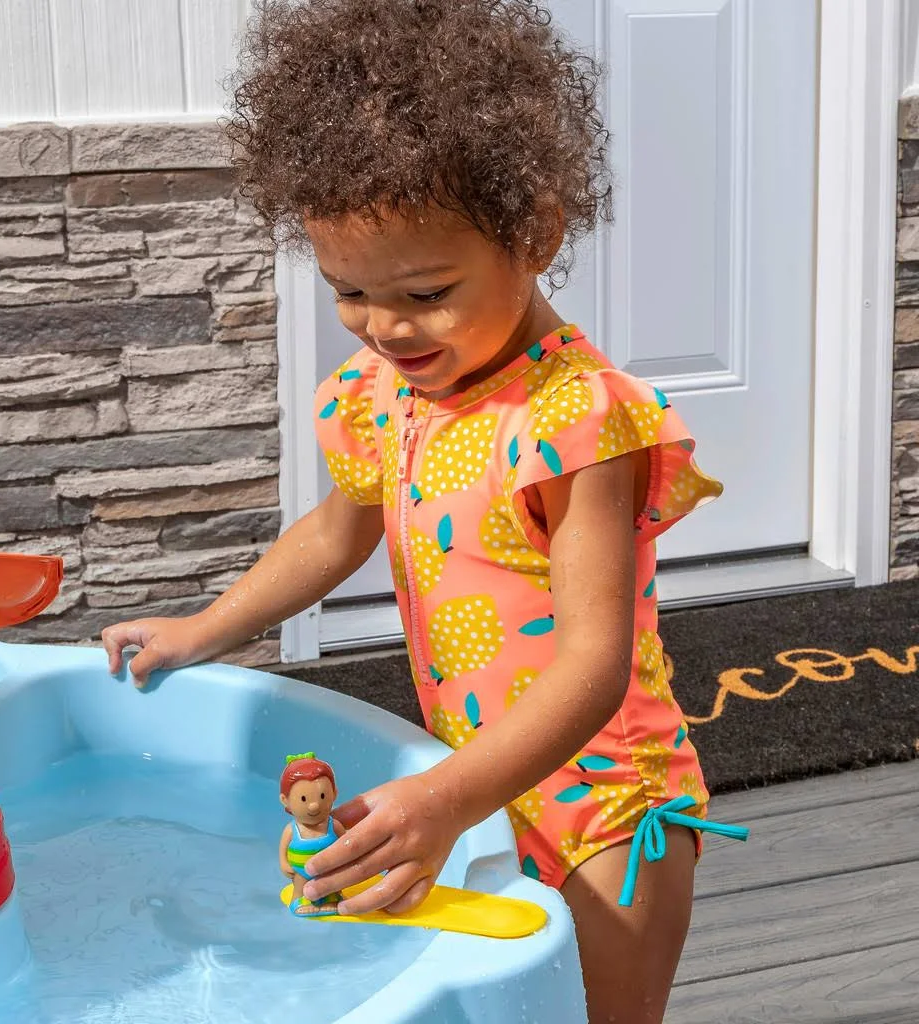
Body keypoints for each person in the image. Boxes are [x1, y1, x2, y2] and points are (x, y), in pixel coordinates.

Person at [102, 2, 747, 1019]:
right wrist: (204, 629)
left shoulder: (576, 419)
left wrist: (443, 801)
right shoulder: (386, 394)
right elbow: (333, 533)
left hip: (602, 808)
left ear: (533, 235)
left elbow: (593, 663)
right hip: (468, 781)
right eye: (349, 292)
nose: (385, 327)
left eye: (425, 291)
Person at [278, 753, 346, 915]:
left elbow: (346, 844)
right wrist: (284, 864)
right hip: (301, 871)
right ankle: (298, 900)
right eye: (303, 799)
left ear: (334, 794)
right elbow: (282, 851)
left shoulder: (334, 826)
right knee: (301, 885)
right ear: (285, 800)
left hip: (329, 870)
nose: (314, 806)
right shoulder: (291, 830)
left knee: (330, 884)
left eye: (322, 796)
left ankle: (332, 898)